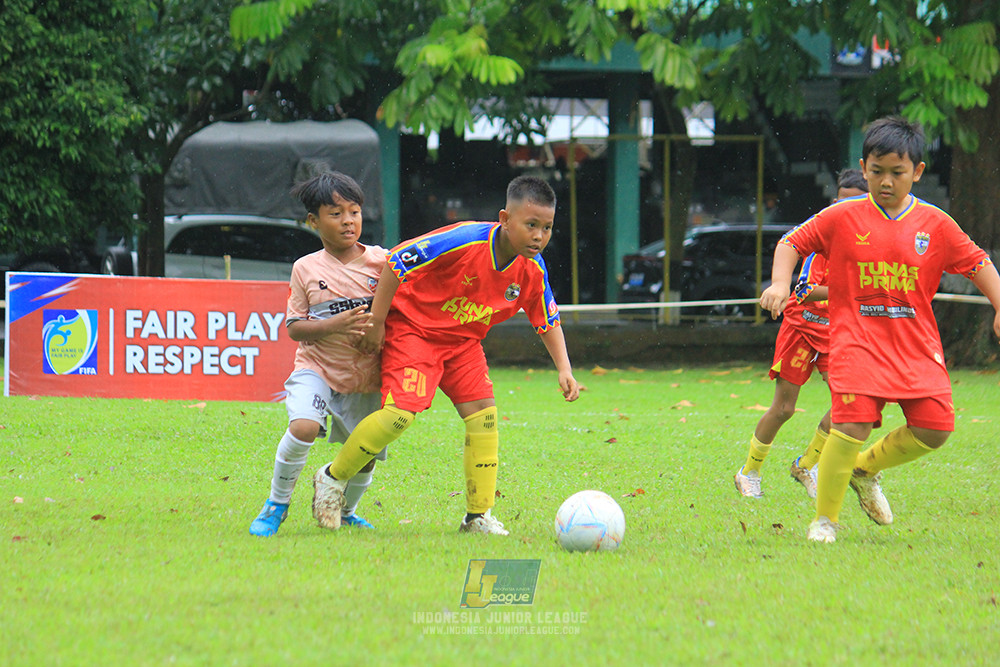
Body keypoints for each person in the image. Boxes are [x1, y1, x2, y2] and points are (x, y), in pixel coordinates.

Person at [760, 116, 1000, 543]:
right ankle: (824, 522)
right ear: (863, 166)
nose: (885, 181)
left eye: (897, 172)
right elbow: (791, 242)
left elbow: (978, 262)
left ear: (918, 173)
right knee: (850, 424)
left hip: (915, 346)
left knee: (937, 427)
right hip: (856, 341)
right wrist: (780, 283)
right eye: (876, 171)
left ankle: (865, 468)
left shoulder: (936, 224)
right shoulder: (841, 215)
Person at [310, 175, 581, 535]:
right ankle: (330, 479)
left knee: (484, 418)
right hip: (415, 332)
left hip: (463, 344)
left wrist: (564, 368)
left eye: (546, 227)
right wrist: (377, 321)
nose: (538, 236)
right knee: (399, 416)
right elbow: (396, 263)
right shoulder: (462, 240)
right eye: (531, 225)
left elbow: (547, 318)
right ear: (504, 219)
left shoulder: (533, 269)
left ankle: (477, 516)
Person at [249, 171, 388, 537]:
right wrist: (334, 325)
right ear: (313, 221)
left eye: (354, 211)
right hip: (317, 368)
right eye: (336, 213)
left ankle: (346, 511)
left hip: (366, 375)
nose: (348, 221)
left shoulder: (383, 262)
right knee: (304, 427)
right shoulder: (305, 268)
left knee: (365, 452)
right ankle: (276, 505)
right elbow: (294, 327)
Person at [734, 169, 868, 500]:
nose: (843, 208)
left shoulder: (871, 239)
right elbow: (806, 289)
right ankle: (749, 472)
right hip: (802, 326)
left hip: (837, 332)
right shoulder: (821, 234)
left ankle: (806, 465)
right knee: (784, 408)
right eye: (840, 200)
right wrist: (849, 288)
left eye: (853, 202)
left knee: (850, 405)